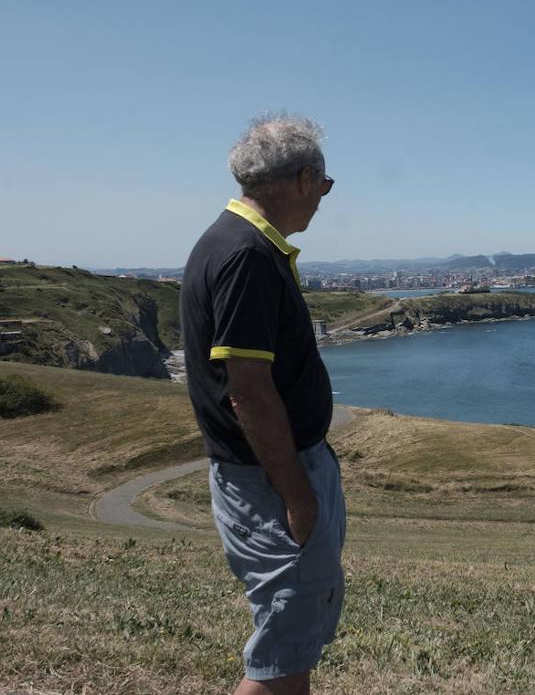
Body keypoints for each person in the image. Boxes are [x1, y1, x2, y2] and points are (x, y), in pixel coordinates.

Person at [181, 113, 345, 695]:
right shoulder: (247, 254)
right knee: (282, 651)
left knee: (291, 639)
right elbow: (248, 390)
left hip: (268, 476)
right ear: (303, 178)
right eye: (325, 185)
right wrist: (297, 493)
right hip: (271, 483)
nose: (324, 199)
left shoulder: (234, 242)